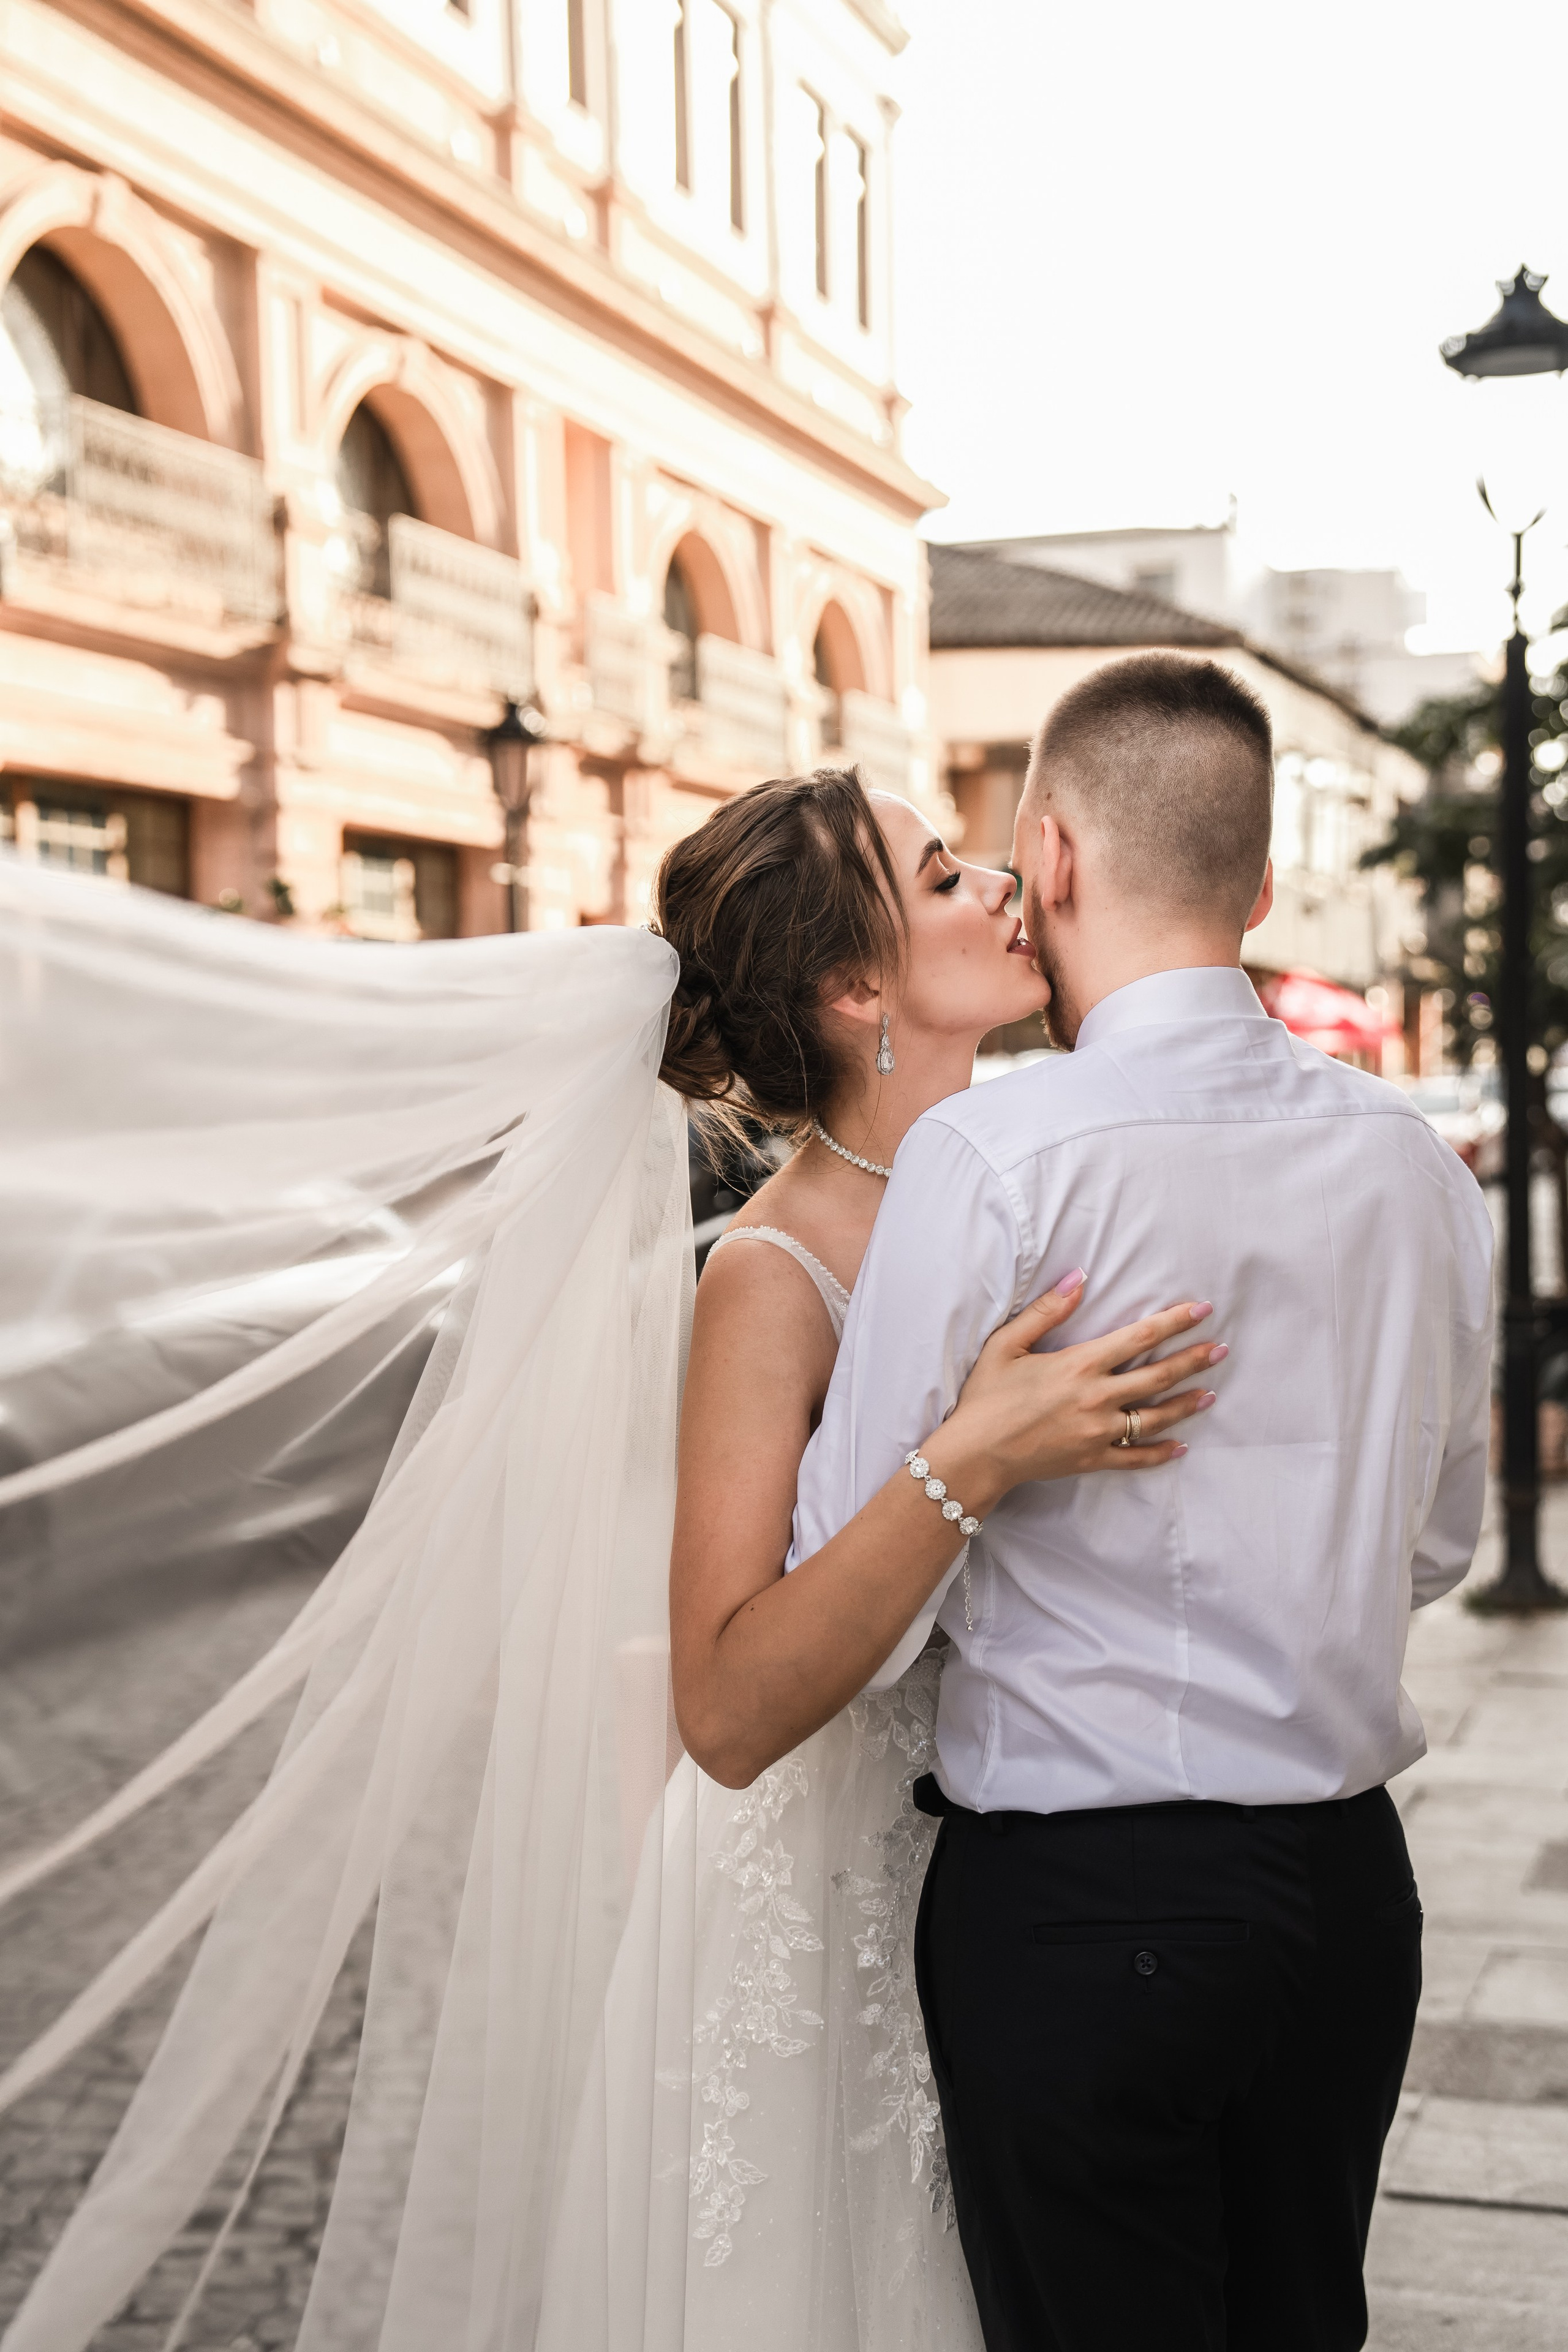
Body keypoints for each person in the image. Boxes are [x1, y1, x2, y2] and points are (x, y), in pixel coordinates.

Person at [0, 767, 1214, 2352]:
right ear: (861, 990)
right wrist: (977, 1451)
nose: (1002, 886)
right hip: (831, 1903)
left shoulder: (1023, 1197)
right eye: (942, 877)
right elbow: (719, 1695)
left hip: (1015, 1895)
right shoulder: (772, 1279)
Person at [789, 654, 1496, 2352]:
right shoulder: (1417, 1165)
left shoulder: (997, 1160)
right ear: (1260, 885)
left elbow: (845, 1595)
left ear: (1053, 853)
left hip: (1084, 1913)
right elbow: (1441, 1547)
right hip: (1343, 1903)